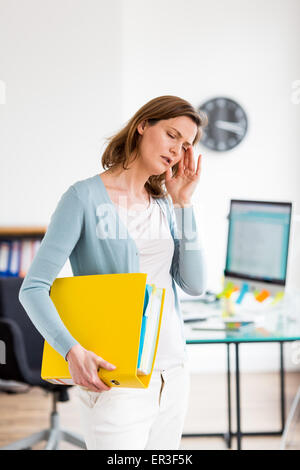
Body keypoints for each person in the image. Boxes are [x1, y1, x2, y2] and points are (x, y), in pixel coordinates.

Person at [19, 95, 207, 450]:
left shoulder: (165, 203)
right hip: (116, 378)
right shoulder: (83, 198)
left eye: (185, 145)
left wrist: (184, 203)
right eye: (171, 135)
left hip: (173, 373)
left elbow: (194, 284)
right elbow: (33, 288)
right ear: (142, 125)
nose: (177, 151)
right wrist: (71, 351)